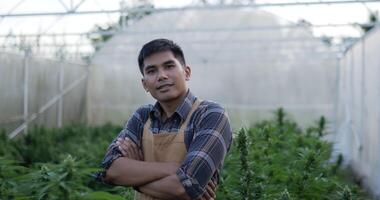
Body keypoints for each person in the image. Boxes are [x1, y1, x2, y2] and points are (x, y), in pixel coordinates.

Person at [97, 38, 232, 200]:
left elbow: (185, 188)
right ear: (145, 84)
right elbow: (110, 170)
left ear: (187, 72)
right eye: (152, 71)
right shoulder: (142, 116)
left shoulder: (209, 114)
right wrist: (174, 170)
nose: (161, 76)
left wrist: (133, 176)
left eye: (169, 66)